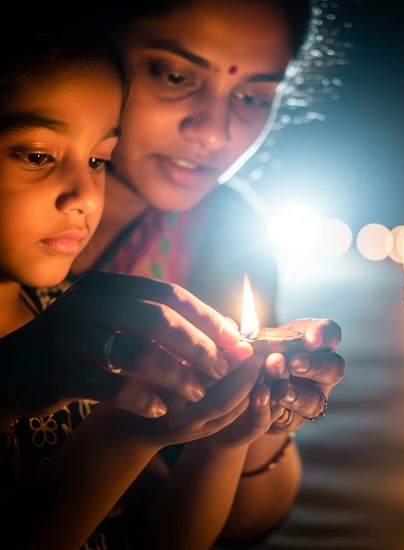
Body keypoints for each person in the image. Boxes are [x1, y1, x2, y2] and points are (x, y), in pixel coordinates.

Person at [26, 1, 346, 548]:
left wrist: (260, 420)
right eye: (175, 76)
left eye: (251, 97)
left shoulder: (227, 232)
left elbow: (233, 528)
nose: (215, 132)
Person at [0, 12, 268, 550]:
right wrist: (124, 436)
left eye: (99, 159)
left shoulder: (68, 317)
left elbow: (154, 535)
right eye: (37, 156)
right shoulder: (65, 341)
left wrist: (221, 438)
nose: (86, 196)